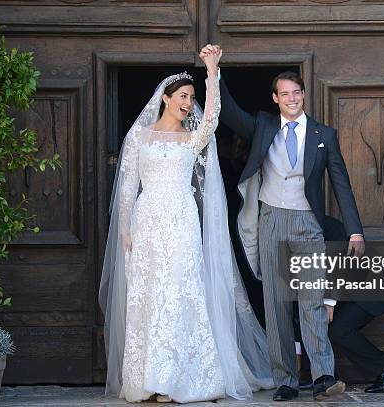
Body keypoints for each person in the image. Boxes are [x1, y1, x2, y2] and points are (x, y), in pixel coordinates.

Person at [98, 47, 273, 403]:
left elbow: (211, 118)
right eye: (182, 96)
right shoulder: (140, 137)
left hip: (181, 221)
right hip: (147, 222)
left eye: (191, 97)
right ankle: (148, 380)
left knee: (180, 292)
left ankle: (176, 378)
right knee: (148, 296)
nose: (187, 102)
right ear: (165, 99)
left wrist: (212, 71)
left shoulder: (191, 139)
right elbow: (128, 186)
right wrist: (125, 231)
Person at [203, 46, 366, 402]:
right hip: (272, 220)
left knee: (311, 302)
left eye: (296, 93)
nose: (292, 99)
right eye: (285, 94)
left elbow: (342, 184)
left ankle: (324, 376)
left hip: (308, 223)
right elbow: (229, 113)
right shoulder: (262, 126)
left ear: (303, 95)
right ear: (276, 99)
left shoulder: (325, 135)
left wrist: (354, 230)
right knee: (277, 305)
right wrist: (214, 71)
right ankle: (286, 380)